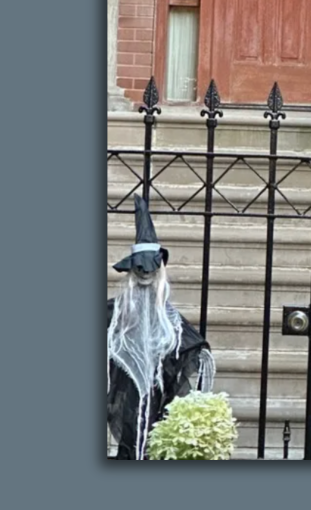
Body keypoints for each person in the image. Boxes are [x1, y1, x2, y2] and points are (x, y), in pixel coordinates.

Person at [107, 195, 215, 459]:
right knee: (131, 429)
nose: (145, 275)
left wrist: (200, 356)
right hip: (124, 386)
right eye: (140, 269)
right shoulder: (115, 310)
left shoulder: (169, 318)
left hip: (158, 386)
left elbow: (190, 342)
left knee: (154, 429)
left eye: (151, 269)